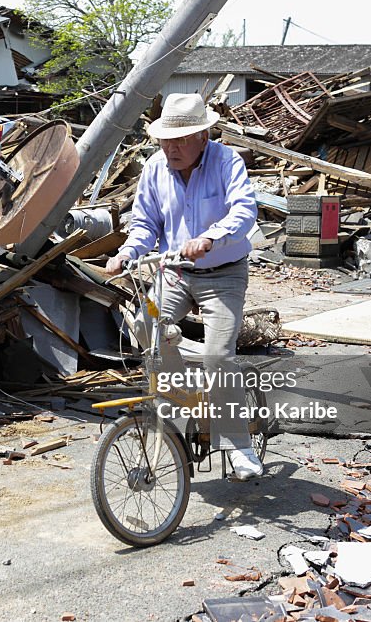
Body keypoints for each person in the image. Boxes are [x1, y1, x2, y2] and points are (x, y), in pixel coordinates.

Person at [105, 93, 262, 479]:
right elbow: (145, 223)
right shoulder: (155, 168)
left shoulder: (227, 162)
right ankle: (183, 397)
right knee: (143, 326)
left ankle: (239, 446)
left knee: (218, 358)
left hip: (223, 273)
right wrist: (127, 253)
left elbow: (244, 210)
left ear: (203, 137)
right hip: (174, 272)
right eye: (165, 139)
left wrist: (211, 237)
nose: (170, 148)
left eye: (180, 140)